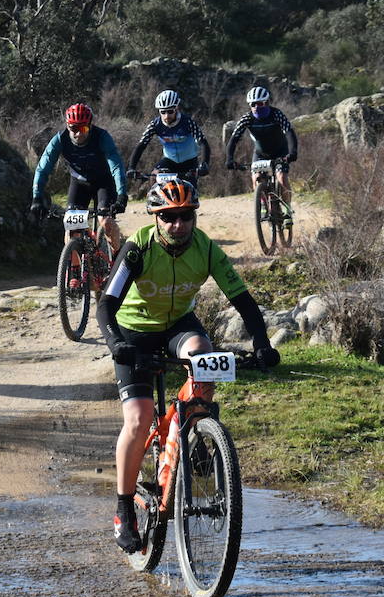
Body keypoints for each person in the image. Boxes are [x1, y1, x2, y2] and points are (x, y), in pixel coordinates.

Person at [97, 179, 280, 553]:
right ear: (156, 217)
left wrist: (262, 344)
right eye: (169, 217)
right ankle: (123, 511)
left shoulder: (206, 248)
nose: (178, 225)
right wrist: (118, 346)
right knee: (138, 417)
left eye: (185, 216)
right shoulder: (138, 248)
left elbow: (243, 300)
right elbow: (105, 305)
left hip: (178, 326)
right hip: (133, 331)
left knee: (203, 353)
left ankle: (195, 426)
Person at [30, 103, 128, 252]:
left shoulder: (102, 137)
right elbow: (43, 168)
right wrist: (37, 198)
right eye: (74, 128)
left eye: (83, 128)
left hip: (104, 182)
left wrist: (122, 194)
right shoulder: (60, 140)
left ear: (90, 126)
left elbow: (116, 166)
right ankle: (73, 269)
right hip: (79, 183)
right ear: (68, 126)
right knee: (71, 228)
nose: (78, 134)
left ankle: (116, 260)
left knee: (105, 220)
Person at [225, 85, 298, 212]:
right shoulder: (247, 119)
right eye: (253, 104)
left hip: (280, 152)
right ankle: (263, 204)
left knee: (281, 177)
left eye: (260, 103)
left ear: (267, 102)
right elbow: (233, 139)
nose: (256, 107)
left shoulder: (277, 114)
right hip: (260, 154)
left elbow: (290, 133)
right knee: (256, 178)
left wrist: (293, 152)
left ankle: (287, 208)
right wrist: (229, 159)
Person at [126, 89, 211, 187]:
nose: (166, 116)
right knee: (154, 180)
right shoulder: (155, 124)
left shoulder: (187, 122)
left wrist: (204, 164)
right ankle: (155, 202)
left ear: (176, 108)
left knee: (189, 193)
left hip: (189, 161)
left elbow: (203, 143)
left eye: (170, 111)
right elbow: (141, 145)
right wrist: (131, 167)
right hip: (169, 161)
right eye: (163, 112)